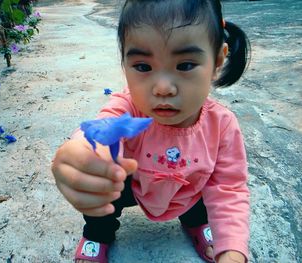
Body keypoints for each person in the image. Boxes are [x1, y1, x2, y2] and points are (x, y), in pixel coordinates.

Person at [51, 0, 251, 262]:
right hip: (136, 187)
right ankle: (98, 235)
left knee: (208, 190)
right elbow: (104, 126)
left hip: (187, 192)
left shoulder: (222, 125)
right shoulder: (130, 110)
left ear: (217, 61)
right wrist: (84, 153)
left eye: (186, 65)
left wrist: (233, 250)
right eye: (143, 67)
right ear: (124, 65)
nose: (163, 88)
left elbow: (230, 190)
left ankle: (197, 224)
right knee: (103, 184)